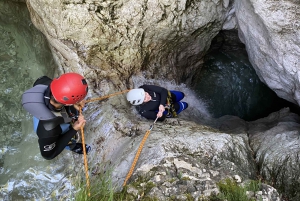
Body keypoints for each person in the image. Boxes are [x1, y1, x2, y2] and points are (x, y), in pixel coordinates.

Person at [21, 73, 91, 160]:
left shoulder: (44, 82)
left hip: (45, 112)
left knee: (71, 114)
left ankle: (71, 118)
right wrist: (74, 129)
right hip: (48, 127)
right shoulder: (48, 130)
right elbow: (48, 155)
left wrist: (75, 102)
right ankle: (71, 146)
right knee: (65, 132)